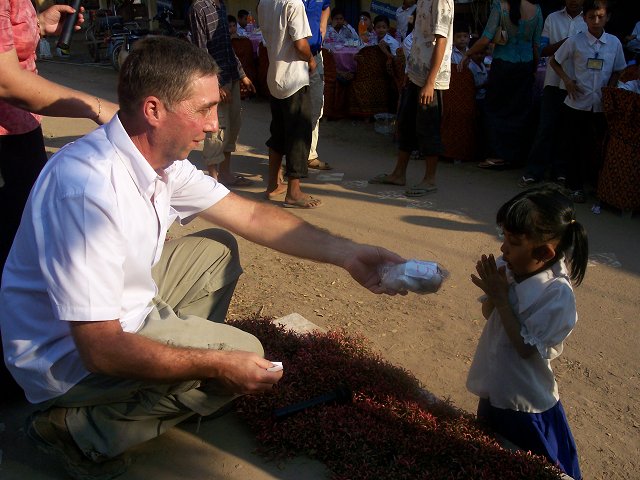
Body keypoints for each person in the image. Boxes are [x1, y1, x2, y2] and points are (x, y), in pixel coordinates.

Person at [0, 36, 407, 479]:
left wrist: (348, 254)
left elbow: (250, 214)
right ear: (153, 110)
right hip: (64, 359)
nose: (214, 125)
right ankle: (79, 431)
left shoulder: (156, 159)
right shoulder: (88, 191)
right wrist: (216, 364)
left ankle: (171, 383)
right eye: (203, 109)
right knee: (244, 354)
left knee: (216, 250)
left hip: (117, 313)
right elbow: (100, 349)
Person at [0, 0, 118, 401]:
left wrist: (37, 24)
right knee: (10, 253)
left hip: (20, 131)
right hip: (4, 142)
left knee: (26, 242)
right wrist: (97, 107)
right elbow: (7, 81)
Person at [467, 185, 587, 480]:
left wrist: (502, 298)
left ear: (544, 252)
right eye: (504, 237)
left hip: (525, 406)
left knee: (535, 468)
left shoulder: (556, 295)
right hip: (497, 386)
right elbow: (489, 315)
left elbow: (524, 348)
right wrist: (493, 295)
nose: (503, 249)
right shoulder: (509, 267)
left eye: (514, 241)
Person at [368, 0, 454, 197]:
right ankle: (399, 173)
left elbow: (441, 40)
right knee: (406, 124)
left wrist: (430, 82)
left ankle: (430, 179)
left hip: (431, 78)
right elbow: (417, 36)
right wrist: (409, 69)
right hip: (415, 72)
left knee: (428, 127)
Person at [549, 0, 626, 203]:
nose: (596, 21)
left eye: (600, 16)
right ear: (584, 18)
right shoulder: (575, 41)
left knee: (597, 147)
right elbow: (554, 61)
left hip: (601, 105)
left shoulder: (614, 43)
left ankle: (596, 185)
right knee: (574, 146)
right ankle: (575, 187)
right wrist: (567, 80)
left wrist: (610, 89)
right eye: (591, 17)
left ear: (607, 17)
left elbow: (619, 69)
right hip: (577, 103)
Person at [460, 0, 543, 170]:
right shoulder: (537, 10)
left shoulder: (500, 7)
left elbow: (486, 38)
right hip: (525, 65)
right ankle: (516, 156)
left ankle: (496, 156)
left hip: (503, 65)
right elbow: (536, 45)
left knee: (495, 109)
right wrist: (534, 68)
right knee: (520, 111)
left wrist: (468, 53)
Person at [259, 0, 322, 208]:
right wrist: (311, 60)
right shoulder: (294, 3)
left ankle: (272, 185)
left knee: (278, 133)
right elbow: (301, 45)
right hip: (294, 79)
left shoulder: (264, 3)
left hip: (275, 76)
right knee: (298, 135)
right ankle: (293, 192)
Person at [187, 0, 256, 187]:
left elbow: (227, 46)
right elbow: (201, 52)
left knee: (233, 127)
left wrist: (242, 75)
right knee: (217, 130)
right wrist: (215, 85)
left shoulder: (221, 6)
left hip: (231, 77)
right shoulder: (199, 8)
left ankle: (225, 174)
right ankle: (214, 179)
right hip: (216, 82)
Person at [519, 0, 587, 188]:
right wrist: (566, 43)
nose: (574, 1)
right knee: (545, 128)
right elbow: (543, 50)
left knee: (567, 130)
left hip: (577, 84)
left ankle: (561, 171)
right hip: (553, 82)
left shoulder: (588, 20)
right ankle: (534, 171)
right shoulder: (553, 18)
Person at [304, 0, 333, 171]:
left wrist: (322, 27)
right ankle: (290, 157)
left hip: (316, 56)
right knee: (293, 108)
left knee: (316, 105)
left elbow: (325, 7)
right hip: (292, 57)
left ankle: (310, 154)